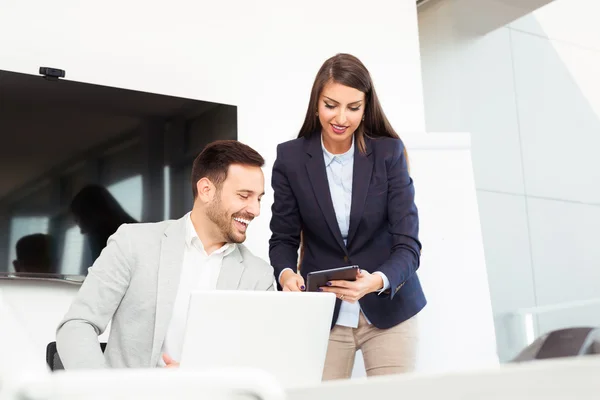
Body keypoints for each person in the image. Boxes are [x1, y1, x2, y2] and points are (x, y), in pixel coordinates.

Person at [269, 53, 426, 380]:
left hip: (390, 310)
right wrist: (285, 274)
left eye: (353, 107)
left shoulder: (388, 153)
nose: (341, 117)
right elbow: (283, 238)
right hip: (323, 313)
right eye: (331, 105)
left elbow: (408, 246)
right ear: (316, 103)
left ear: (366, 108)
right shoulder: (290, 159)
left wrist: (376, 281)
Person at [57, 140, 274, 369]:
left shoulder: (258, 276)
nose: (256, 210)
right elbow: (78, 324)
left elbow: (260, 359)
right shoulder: (133, 243)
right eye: (244, 195)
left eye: (258, 198)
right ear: (206, 190)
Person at [70, 184, 138, 263]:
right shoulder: (136, 233)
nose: (82, 232)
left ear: (90, 215)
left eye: (77, 220)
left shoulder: (102, 240)